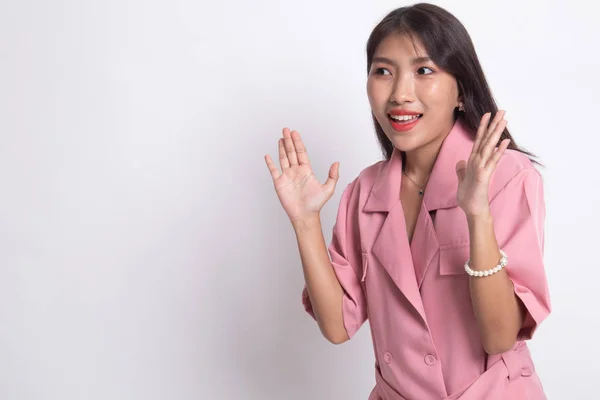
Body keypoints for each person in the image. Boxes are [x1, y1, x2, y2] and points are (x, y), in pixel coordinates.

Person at [264, 3, 550, 399]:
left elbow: (500, 337)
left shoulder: (508, 176)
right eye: (383, 71)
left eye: (424, 71)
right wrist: (305, 220)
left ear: (462, 92)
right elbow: (337, 326)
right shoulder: (365, 192)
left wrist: (477, 214)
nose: (400, 93)